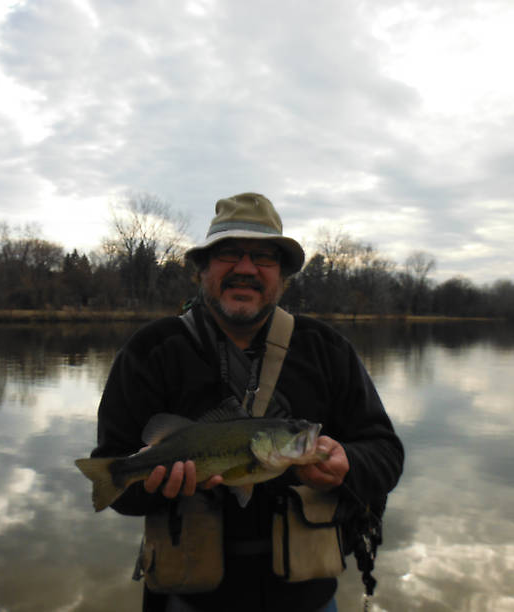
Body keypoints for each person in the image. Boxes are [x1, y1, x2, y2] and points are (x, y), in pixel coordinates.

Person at [90, 193, 404, 612]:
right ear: (202, 268)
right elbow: (114, 477)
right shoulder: (150, 350)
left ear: (282, 276)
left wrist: (351, 464)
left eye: (264, 257)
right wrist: (154, 487)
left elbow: (386, 454)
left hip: (306, 600)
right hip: (185, 599)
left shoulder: (327, 349)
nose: (245, 268)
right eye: (228, 254)